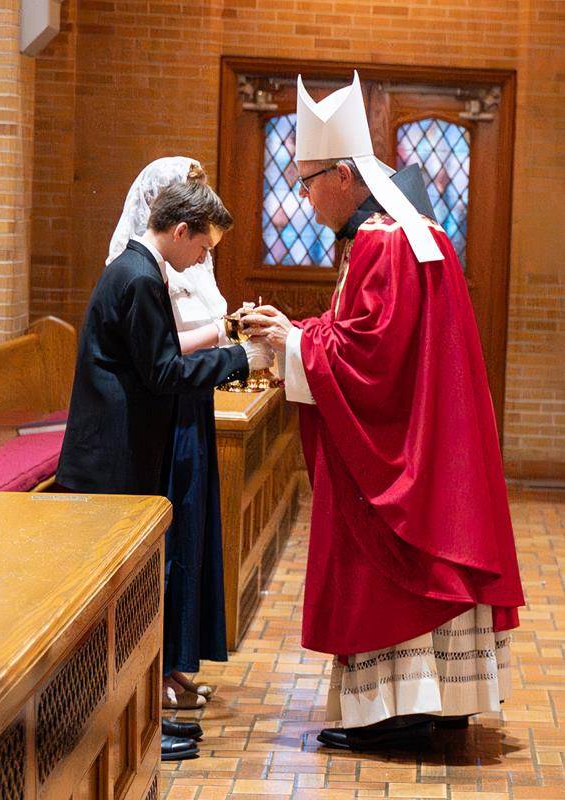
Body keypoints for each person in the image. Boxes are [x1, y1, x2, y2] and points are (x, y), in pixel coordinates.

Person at [243, 71, 524, 751]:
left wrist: (297, 343)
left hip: (404, 447)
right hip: (442, 441)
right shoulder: (413, 233)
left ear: (343, 175)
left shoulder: (383, 243)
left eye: (306, 182)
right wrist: (301, 333)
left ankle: (396, 713)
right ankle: (439, 703)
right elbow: (370, 336)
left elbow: (370, 363)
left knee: (392, 560)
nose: (302, 197)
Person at [57, 178, 273, 759]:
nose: (203, 259)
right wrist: (239, 359)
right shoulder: (139, 278)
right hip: (110, 462)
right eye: (203, 247)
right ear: (180, 232)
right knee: (116, 588)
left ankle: (139, 696)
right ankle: (120, 707)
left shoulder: (139, 271)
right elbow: (163, 373)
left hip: (120, 452)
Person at [106, 156, 244, 713]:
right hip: (165, 412)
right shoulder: (138, 271)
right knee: (170, 544)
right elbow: (160, 359)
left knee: (191, 538)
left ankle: (176, 663)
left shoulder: (179, 262)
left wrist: (225, 337)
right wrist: (230, 345)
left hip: (191, 404)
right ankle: (156, 667)